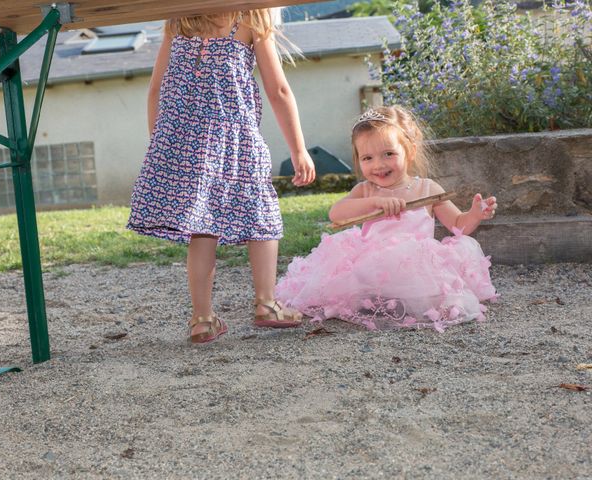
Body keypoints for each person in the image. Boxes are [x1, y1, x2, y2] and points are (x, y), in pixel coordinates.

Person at [127, 10, 316, 343]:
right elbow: (279, 91)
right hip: (235, 136)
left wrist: (163, 144)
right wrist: (299, 149)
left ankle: (201, 319)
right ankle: (266, 304)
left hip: (184, 141)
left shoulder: (178, 21)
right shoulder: (249, 19)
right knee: (262, 214)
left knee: (202, 228)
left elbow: (156, 89)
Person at [276, 105, 498, 332]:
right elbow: (336, 214)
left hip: (415, 268)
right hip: (374, 265)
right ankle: (374, 301)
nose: (378, 165)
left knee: (433, 286)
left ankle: (403, 303)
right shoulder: (367, 190)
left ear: (410, 151)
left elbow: (458, 225)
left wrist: (474, 214)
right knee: (355, 276)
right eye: (367, 158)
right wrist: (374, 203)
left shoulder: (427, 189)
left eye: (388, 154)